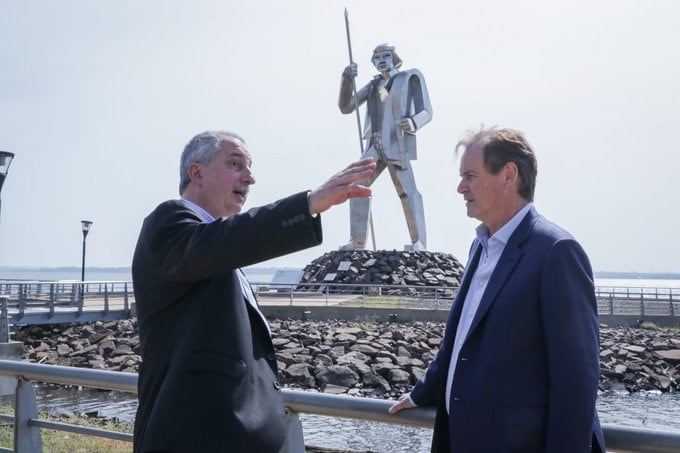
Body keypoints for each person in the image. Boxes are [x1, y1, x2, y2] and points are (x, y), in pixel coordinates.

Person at [131, 130, 376, 452]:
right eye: (235, 165)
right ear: (197, 173)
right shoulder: (171, 222)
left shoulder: (220, 250)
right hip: (191, 439)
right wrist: (308, 205)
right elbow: (228, 240)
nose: (250, 178)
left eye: (249, 167)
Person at [388, 127, 605, 452]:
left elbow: (576, 381)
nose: (461, 187)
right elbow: (459, 343)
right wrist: (422, 393)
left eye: (470, 176)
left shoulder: (556, 251)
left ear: (509, 175)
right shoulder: (480, 247)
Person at [338, 42, 432, 251]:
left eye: (386, 55)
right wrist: (346, 79)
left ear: (394, 57)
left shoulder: (409, 77)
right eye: (377, 57)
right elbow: (347, 107)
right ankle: (357, 241)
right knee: (356, 186)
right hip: (375, 143)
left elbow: (427, 110)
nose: (381, 60)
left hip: (397, 142)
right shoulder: (373, 85)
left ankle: (419, 243)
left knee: (408, 191)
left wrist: (414, 122)